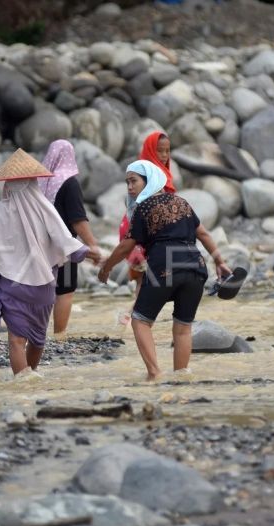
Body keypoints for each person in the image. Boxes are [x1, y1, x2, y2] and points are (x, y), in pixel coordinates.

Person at [99, 160, 231, 380]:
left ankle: (154, 374)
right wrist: (220, 261)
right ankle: (181, 377)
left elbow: (126, 245)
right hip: (196, 268)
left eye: (134, 181)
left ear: (149, 180)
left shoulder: (144, 207)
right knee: (183, 328)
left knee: (140, 320)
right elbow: (204, 234)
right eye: (127, 183)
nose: (130, 187)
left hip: (165, 266)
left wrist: (107, 267)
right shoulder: (182, 203)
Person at [0, 149, 101, 376]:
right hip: (44, 287)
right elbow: (64, 239)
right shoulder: (45, 207)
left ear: (9, 184)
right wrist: (91, 252)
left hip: (13, 287)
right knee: (38, 339)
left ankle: (22, 385)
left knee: (16, 340)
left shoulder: (0, 212)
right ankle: (32, 378)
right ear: (33, 182)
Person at [38, 140, 101, 336]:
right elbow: (77, 219)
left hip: (40, 243)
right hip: (63, 245)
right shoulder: (69, 182)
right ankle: (59, 336)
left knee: (43, 290)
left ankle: (36, 334)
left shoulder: (41, 181)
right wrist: (93, 245)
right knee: (65, 290)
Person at [117, 131, 176, 325]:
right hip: (142, 235)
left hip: (140, 234)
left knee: (145, 279)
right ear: (150, 150)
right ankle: (133, 315)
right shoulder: (145, 174)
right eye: (160, 151)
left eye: (167, 151)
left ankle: (135, 315)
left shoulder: (157, 173)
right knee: (146, 279)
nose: (165, 155)